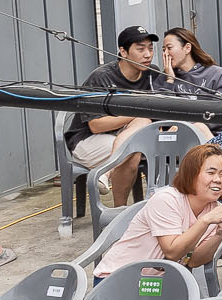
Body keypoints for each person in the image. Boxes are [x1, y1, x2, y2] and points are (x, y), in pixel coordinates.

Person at [94, 143, 222, 278]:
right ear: (191, 174)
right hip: (118, 278)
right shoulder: (167, 200)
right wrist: (204, 221)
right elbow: (172, 252)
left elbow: (194, 261)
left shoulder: (215, 211)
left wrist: (219, 234)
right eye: (211, 173)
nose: (218, 179)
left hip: (160, 286)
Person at [66, 26, 171, 207]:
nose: (147, 54)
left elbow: (159, 109)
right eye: (140, 49)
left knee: (142, 125)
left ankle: (108, 178)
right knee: (133, 147)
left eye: (151, 48)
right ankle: (119, 210)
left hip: (124, 135)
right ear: (123, 51)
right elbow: (95, 126)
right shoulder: (101, 77)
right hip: (87, 140)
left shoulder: (151, 73)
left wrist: (169, 79)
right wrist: (136, 110)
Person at [163, 27, 222, 98]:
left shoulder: (217, 74)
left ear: (187, 48)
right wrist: (169, 80)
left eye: (169, 48)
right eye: (163, 49)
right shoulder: (163, 77)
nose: (165, 53)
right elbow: (160, 107)